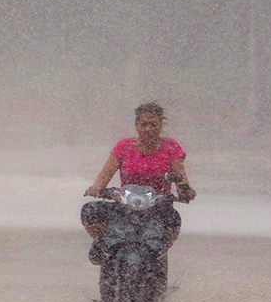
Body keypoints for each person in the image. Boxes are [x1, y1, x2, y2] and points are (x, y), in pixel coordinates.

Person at [80, 102, 195, 263]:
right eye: (144, 124)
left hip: (157, 206)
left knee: (173, 219)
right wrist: (96, 188)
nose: (148, 129)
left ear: (160, 125)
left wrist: (185, 192)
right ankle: (102, 244)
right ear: (136, 125)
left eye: (153, 124)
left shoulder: (171, 147)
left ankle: (160, 253)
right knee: (90, 211)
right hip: (125, 204)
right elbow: (104, 176)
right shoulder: (123, 146)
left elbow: (181, 178)